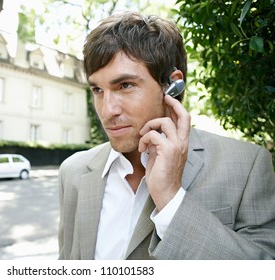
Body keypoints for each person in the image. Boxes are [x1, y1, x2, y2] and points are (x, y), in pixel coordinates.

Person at [57, 11, 275, 260]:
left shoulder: (248, 165)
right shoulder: (72, 171)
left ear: (173, 85)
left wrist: (172, 200)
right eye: (97, 89)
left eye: (125, 85)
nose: (107, 111)